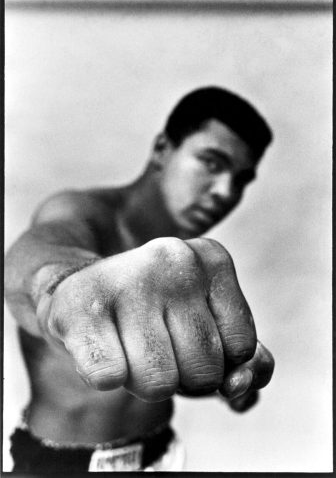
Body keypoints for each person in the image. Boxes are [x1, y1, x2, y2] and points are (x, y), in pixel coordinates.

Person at [5, 86, 275, 472]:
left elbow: (141, 372)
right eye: (212, 163)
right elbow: (36, 258)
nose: (225, 192)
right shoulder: (82, 212)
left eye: (242, 179)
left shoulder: (177, 262)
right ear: (163, 149)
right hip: (61, 466)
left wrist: (217, 373)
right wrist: (63, 290)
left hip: (160, 453)